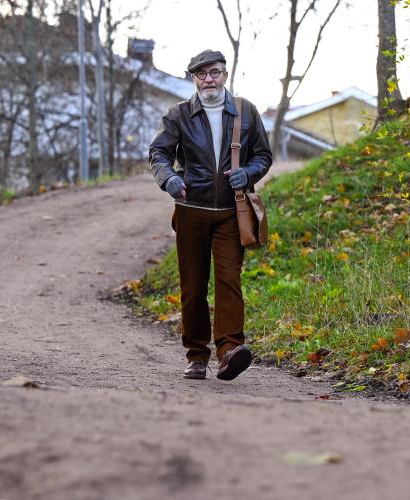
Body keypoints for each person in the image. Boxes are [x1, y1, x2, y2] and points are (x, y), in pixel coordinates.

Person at [149, 49, 272, 381]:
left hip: (232, 213)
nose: (209, 80)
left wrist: (249, 173)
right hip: (191, 211)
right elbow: (158, 152)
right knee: (193, 286)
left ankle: (230, 350)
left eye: (214, 72)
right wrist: (169, 178)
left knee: (229, 281)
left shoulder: (246, 112)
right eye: (201, 74)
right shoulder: (177, 114)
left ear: (225, 75)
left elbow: (263, 155)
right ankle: (197, 355)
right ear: (194, 79)